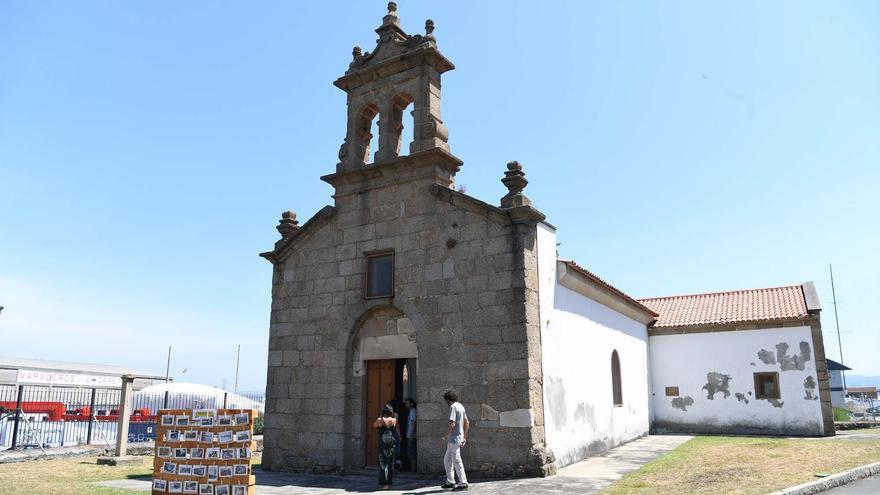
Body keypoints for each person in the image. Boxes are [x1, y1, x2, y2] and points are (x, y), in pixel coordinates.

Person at [441, 389, 468, 491]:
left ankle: (463, 482)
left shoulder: (453, 407)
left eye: (446, 401)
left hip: (454, 439)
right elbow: (467, 423)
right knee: (447, 460)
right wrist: (464, 437)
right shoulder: (461, 406)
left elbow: (452, 424)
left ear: (449, 400)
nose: (447, 403)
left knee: (456, 460)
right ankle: (450, 481)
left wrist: (445, 436)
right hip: (457, 438)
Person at [373, 404, 399, 490]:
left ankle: (384, 484)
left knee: (383, 464)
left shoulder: (380, 420)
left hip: (382, 444)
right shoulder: (394, 420)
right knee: (390, 464)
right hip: (391, 444)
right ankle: (388, 484)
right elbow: (396, 428)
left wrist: (380, 417)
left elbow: (374, 426)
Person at [403, 398, 417, 471]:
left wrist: (411, 435)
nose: (406, 405)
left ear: (411, 404)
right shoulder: (411, 412)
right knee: (410, 454)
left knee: (412, 454)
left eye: (407, 403)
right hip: (410, 436)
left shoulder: (412, 411)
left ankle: (412, 470)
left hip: (411, 436)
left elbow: (414, 423)